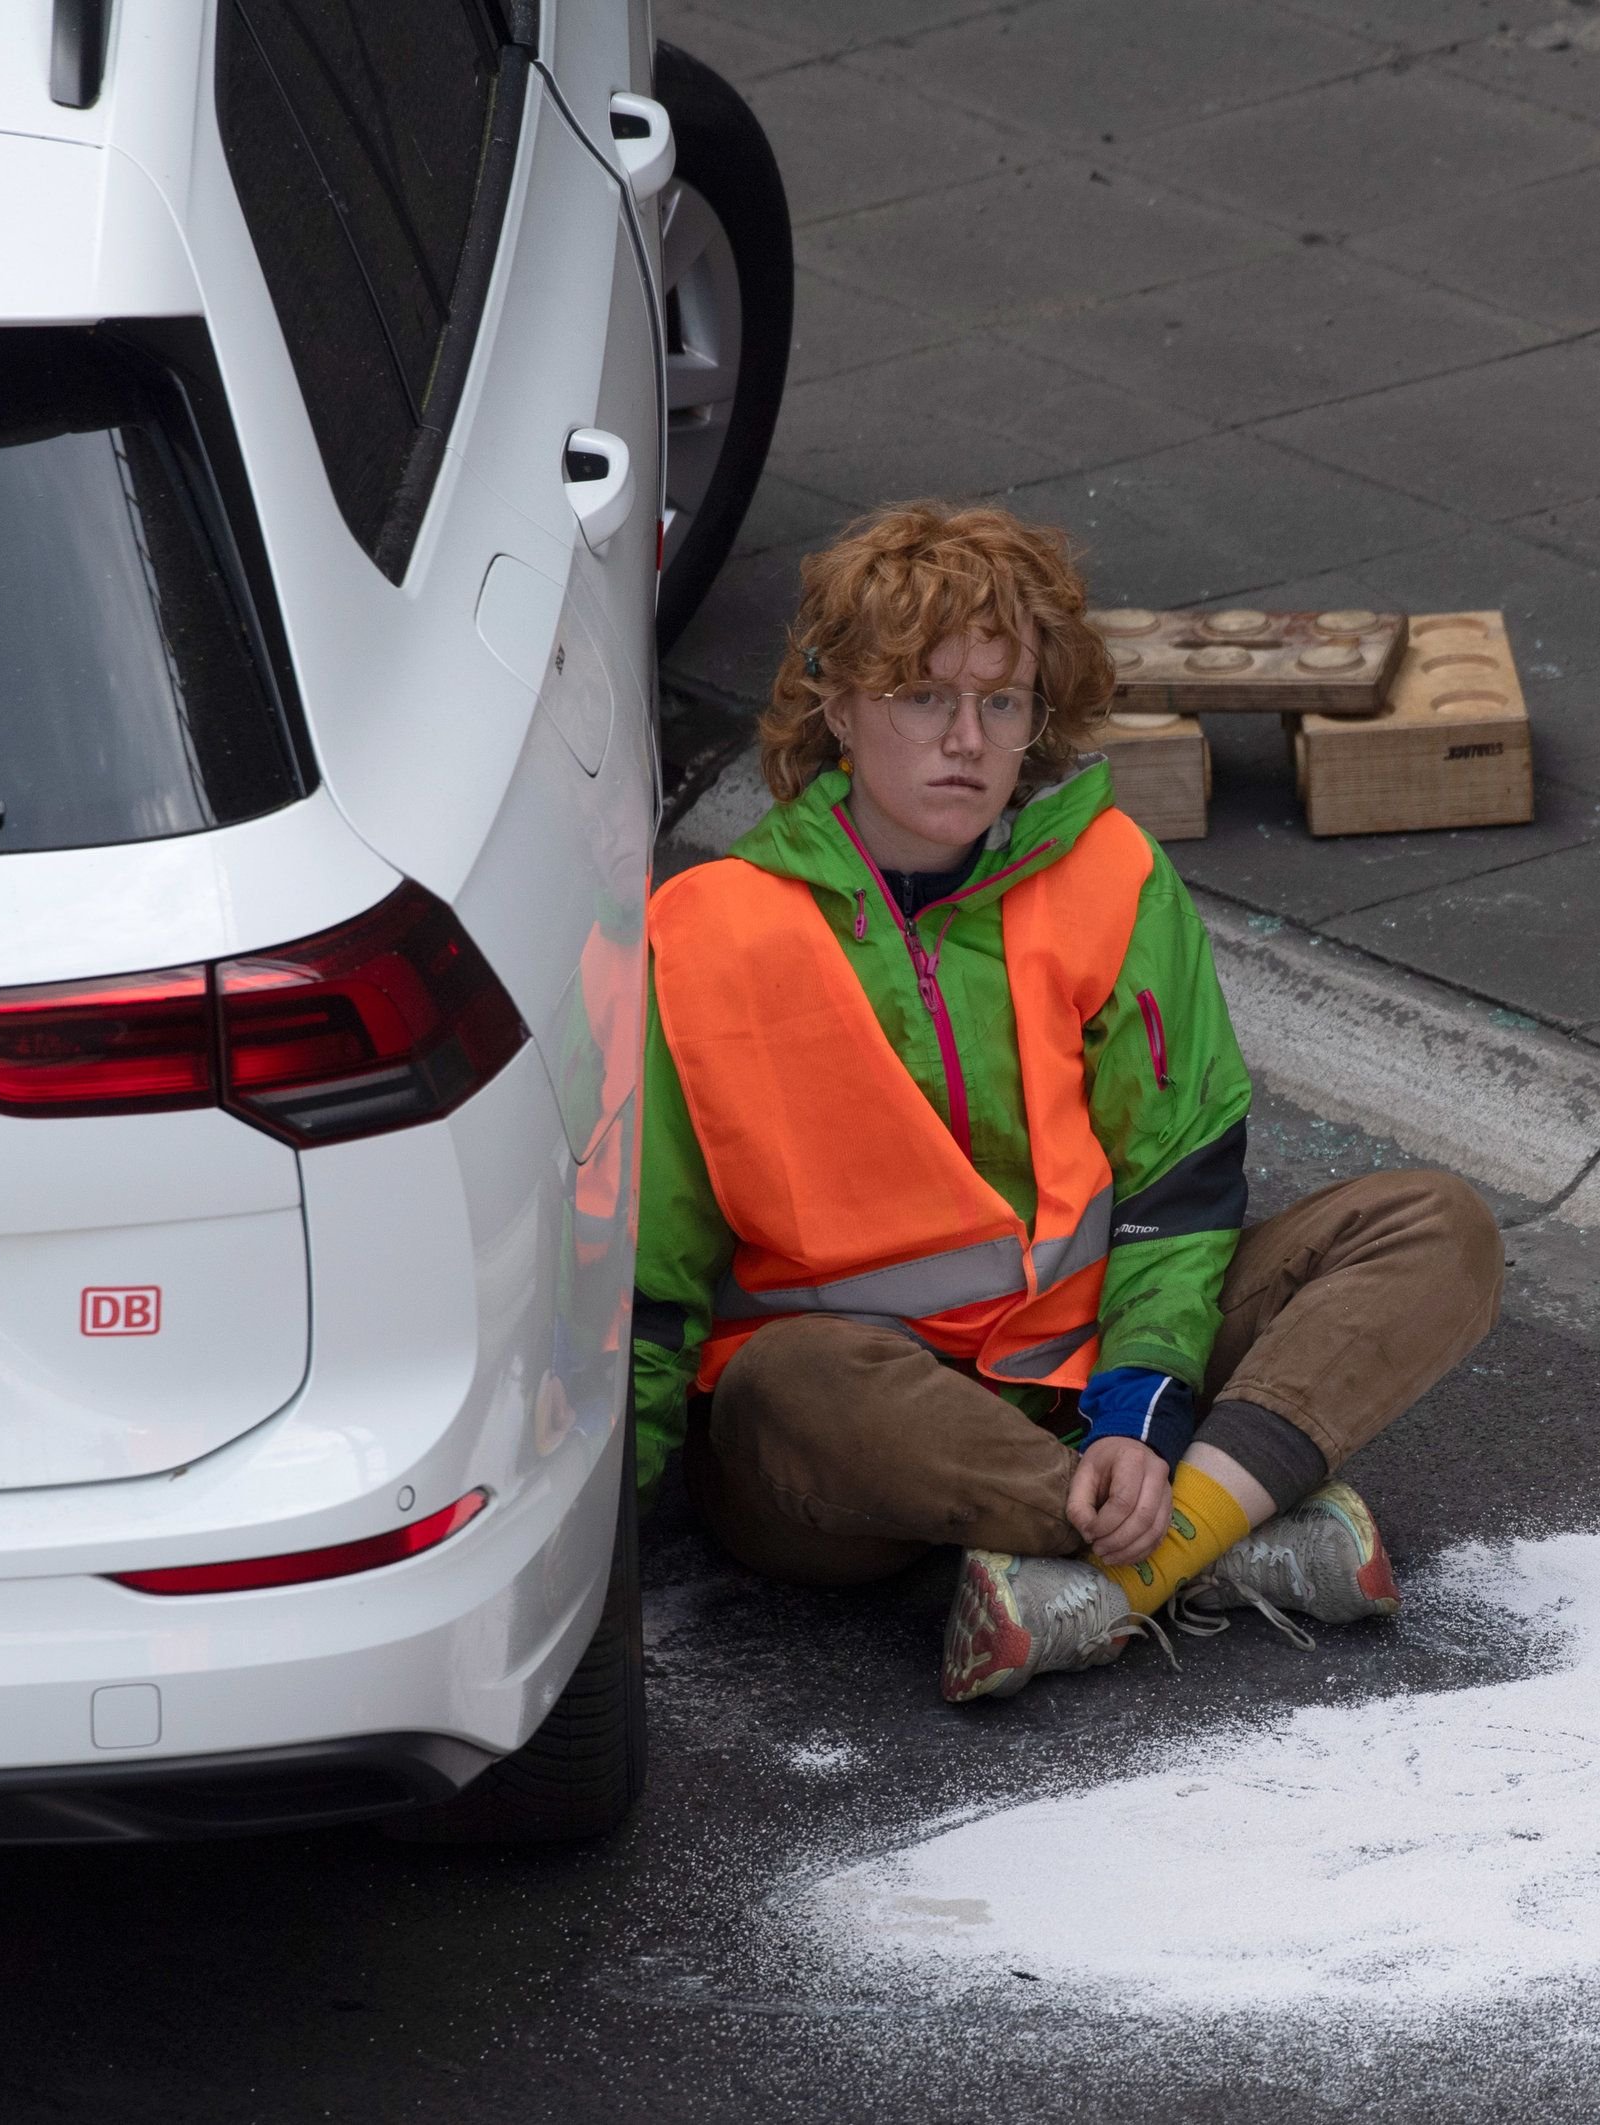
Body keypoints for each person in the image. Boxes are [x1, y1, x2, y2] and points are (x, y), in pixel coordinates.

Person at [631, 502, 1504, 1701]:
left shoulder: (1111, 876)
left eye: (1002, 701)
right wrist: (588, 1547)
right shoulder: (705, 932)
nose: (966, 738)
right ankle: (1203, 1530)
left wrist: (1138, 1405)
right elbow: (647, 1285)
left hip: (1098, 1380)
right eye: (922, 697)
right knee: (785, 1385)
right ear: (837, 708)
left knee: (1432, 1225)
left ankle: (1113, 1559)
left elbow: (1179, 1188)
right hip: (860, 1450)